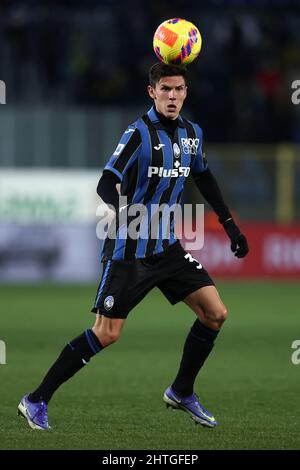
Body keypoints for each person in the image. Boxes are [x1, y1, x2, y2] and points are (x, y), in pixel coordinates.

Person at [18, 62, 249, 431]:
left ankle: (181, 391)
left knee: (215, 313)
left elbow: (204, 177)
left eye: (178, 90)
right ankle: (35, 400)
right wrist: (124, 212)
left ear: (186, 93)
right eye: (165, 90)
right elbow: (106, 182)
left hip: (168, 248)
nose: (172, 96)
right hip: (130, 251)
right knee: (106, 333)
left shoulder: (193, 134)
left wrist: (229, 225)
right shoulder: (138, 133)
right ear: (152, 92)